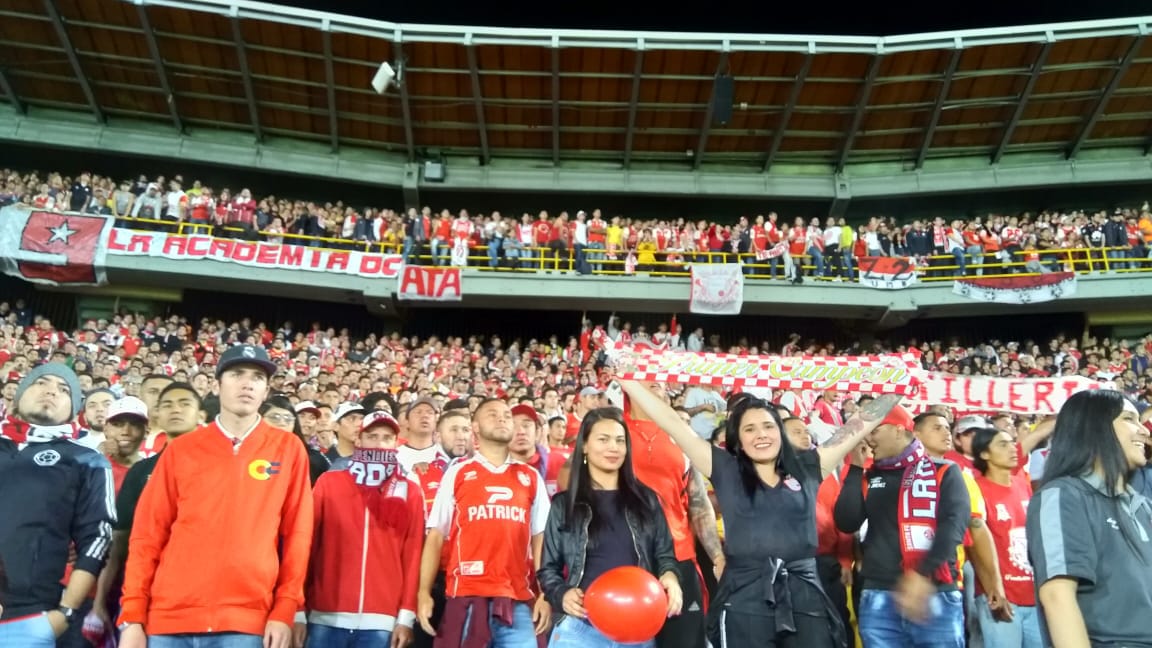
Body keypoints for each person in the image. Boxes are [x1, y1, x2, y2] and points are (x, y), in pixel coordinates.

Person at [619, 380, 903, 647]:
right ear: (738, 439)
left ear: (780, 431)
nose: (761, 435)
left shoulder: (808, 466)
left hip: (806, 595)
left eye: (768, 426)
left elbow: (860, 423)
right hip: (744, 595)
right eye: (749, 429)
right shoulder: (724, 468)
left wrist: (897, 388)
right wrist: (628, 381)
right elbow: (670, 422)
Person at [118, 344, 314, 648]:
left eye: (257, 377)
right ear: (217, 385)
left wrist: (287, 607)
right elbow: (147, 535)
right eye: (237, 374)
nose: (247, 383)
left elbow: (298, 536)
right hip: (169, 619)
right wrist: (132, 616)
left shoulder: (288, 449)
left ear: (265, 390)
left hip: (247, 621)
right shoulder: (180, 450)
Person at [539, 407, 682, 648]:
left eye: (619, 440)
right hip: (579, 629)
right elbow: (548, 570)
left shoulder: (646, 499)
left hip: (638, 628)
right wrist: (562, 594)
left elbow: (665, 555)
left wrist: (670, 576)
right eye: (603, 439)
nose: (613, 448)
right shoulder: (564, 505)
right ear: (584, 445)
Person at [416, 398, 551, 648]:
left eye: (506, 416)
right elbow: (435, 536)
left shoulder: (530, 477)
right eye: (492, 414)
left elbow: (541, 539)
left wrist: (545, 592)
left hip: (517, 597)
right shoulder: (457, 473)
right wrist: (423, 592)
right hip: (466, 592)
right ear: (475, 427)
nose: (502, 418)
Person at [834, 405, 970, 648]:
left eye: (874, 431)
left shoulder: (944, 471)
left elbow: (953, 528)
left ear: (898, 430)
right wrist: (855, 467)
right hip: (879, 592)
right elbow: (846, 522)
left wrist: (920, 575)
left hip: (932, 591)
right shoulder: (869, 475)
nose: (868, 438)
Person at [0, 364, 115, 648]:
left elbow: (98, 536)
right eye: (41, 382)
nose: (51, 390)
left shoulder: (87, 460)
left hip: (31, 617)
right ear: (18, 395)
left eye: (64, 390)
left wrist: (65, 612)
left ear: (74, 410)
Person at [1026, 389, 1152, 647]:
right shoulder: (1063, 496)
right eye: (1129, 419)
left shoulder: (1143, 507)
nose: (1145, 431)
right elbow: (1058, 596)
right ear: (1094, 428)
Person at [297, 410, 424, 648]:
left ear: (396, 443)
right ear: (359, 440)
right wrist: (297, 607)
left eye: (387, 438)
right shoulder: (329, 482)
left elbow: (413, 554)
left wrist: (407, 615)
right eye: (372, 436)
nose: (379, 443)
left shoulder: (410, 491)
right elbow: (306, 545)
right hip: (325, 615)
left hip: (382, 621)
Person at [93, 382, 205, 646]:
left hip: (208, 598)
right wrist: (98, 602)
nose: (175, 409)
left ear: (202, 415)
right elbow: (119, 543)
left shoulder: (224, 466)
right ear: (157, 417)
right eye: (167, 404)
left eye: (184, 403)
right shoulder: (142, 471)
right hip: (147, 596)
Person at [970, 427, 1042, 648]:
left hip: (1034, 597)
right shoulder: (976, 488)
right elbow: (974, 543)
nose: (1012, 448)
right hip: (1000, 598)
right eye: (1002, 444)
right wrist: (994, 588)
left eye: (1012, 442)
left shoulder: (1023, 484)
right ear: (984, 454)